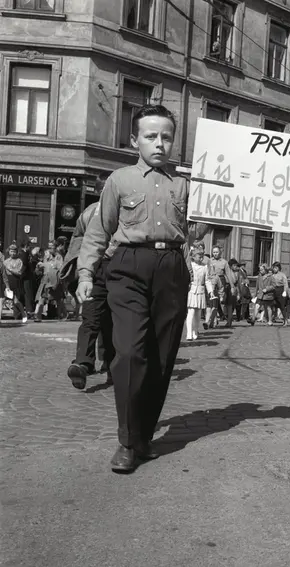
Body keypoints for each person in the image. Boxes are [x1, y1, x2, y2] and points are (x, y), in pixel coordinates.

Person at [77, 104, 196, 473]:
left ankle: (143, 435)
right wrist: (85, 273)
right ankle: (127, 441)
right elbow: (99, 231)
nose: (159, 143)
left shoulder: (184, 185)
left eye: (166, 137)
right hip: (128, 266)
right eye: (151, 136)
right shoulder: (119, 180)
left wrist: (219, 212)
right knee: (129, 353)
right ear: (135, 140)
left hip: (172, 268)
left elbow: (195, 230)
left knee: (161, 357)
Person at [61, 201, 117, 389]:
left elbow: (77, 238)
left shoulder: (94, 210)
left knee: (105, 319)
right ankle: (85, 364)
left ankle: (105, 364)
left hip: (107, 266)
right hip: (98, 266)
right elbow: (78, 238)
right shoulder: (93, 210)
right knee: (95, 317)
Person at [186, 249, 207, 340]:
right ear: (193, 257)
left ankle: (195, 331)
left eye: (202, 256)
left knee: (198, 314)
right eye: (199, 256)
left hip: (201, 291)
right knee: (191, 312)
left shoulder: (205, 267)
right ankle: (189, 333)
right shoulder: (190, 265)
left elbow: (207, 280)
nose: (201, 258)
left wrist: (210, 291)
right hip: (192, 290)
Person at [3, 243, 27, 322]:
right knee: (2, 300)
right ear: (8, 252)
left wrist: (10, 269)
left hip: (15, 280)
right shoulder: (5, 261)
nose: (12, 253)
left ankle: (23, 313)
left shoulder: (19, 261)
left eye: (14, 251)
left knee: (16, 301)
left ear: (17, 252)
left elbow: (19, 272)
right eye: (11, 251)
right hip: (6, 281)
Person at [271, 261, 289, 326]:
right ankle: (272, 318)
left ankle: (285, 320)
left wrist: (285, 291)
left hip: (281, 290)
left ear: (278, 268)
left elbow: (285, 284)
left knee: (282, 306)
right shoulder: (272, 275)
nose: (274, 269)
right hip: (274, 290)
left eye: (275, 268)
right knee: (273, 305)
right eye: (273, 268)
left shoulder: (282, 275)